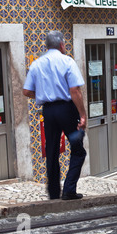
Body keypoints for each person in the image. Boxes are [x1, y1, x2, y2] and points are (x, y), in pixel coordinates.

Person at [23, 31, 87, 200]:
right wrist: (82, 115)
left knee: (51, 151)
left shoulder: (36, 64)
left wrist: (42, 94)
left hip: (48, 113)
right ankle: (69, 189)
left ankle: (53, 193)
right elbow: (75, 91)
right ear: (61, 45)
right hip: (67, 111)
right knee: (78, 150)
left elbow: (26, 91)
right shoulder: (67, 61)